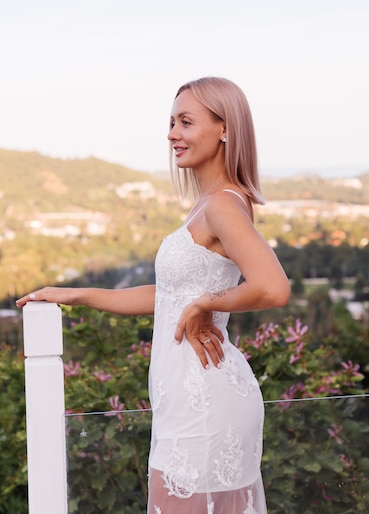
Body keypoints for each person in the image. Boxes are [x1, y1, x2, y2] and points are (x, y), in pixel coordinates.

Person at [16, 76, 290, 514]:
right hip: (185, 396)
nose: (171, 134)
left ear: (225, 129)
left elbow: (273, 288)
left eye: (185, 122)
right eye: (171, 122)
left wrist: (206, 303)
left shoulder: (223, 204)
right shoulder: (209, 203)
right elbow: (169, 296)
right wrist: (73, 294)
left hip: (204, 399)